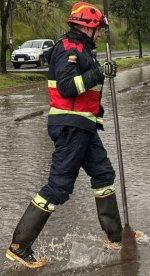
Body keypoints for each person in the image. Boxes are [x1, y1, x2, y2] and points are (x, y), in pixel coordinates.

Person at [6, 2, 122, 268]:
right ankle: (19, 246)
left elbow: (87, 92)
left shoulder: (82, 49)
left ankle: (115, 237)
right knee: (58, 186)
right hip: (71, 127)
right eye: (98, 29)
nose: (100, 34)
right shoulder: (69, 49)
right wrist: (97, 73)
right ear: (86, 26)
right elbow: (68, 87)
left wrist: (98, 76)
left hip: (85, 126)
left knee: (104, 176)